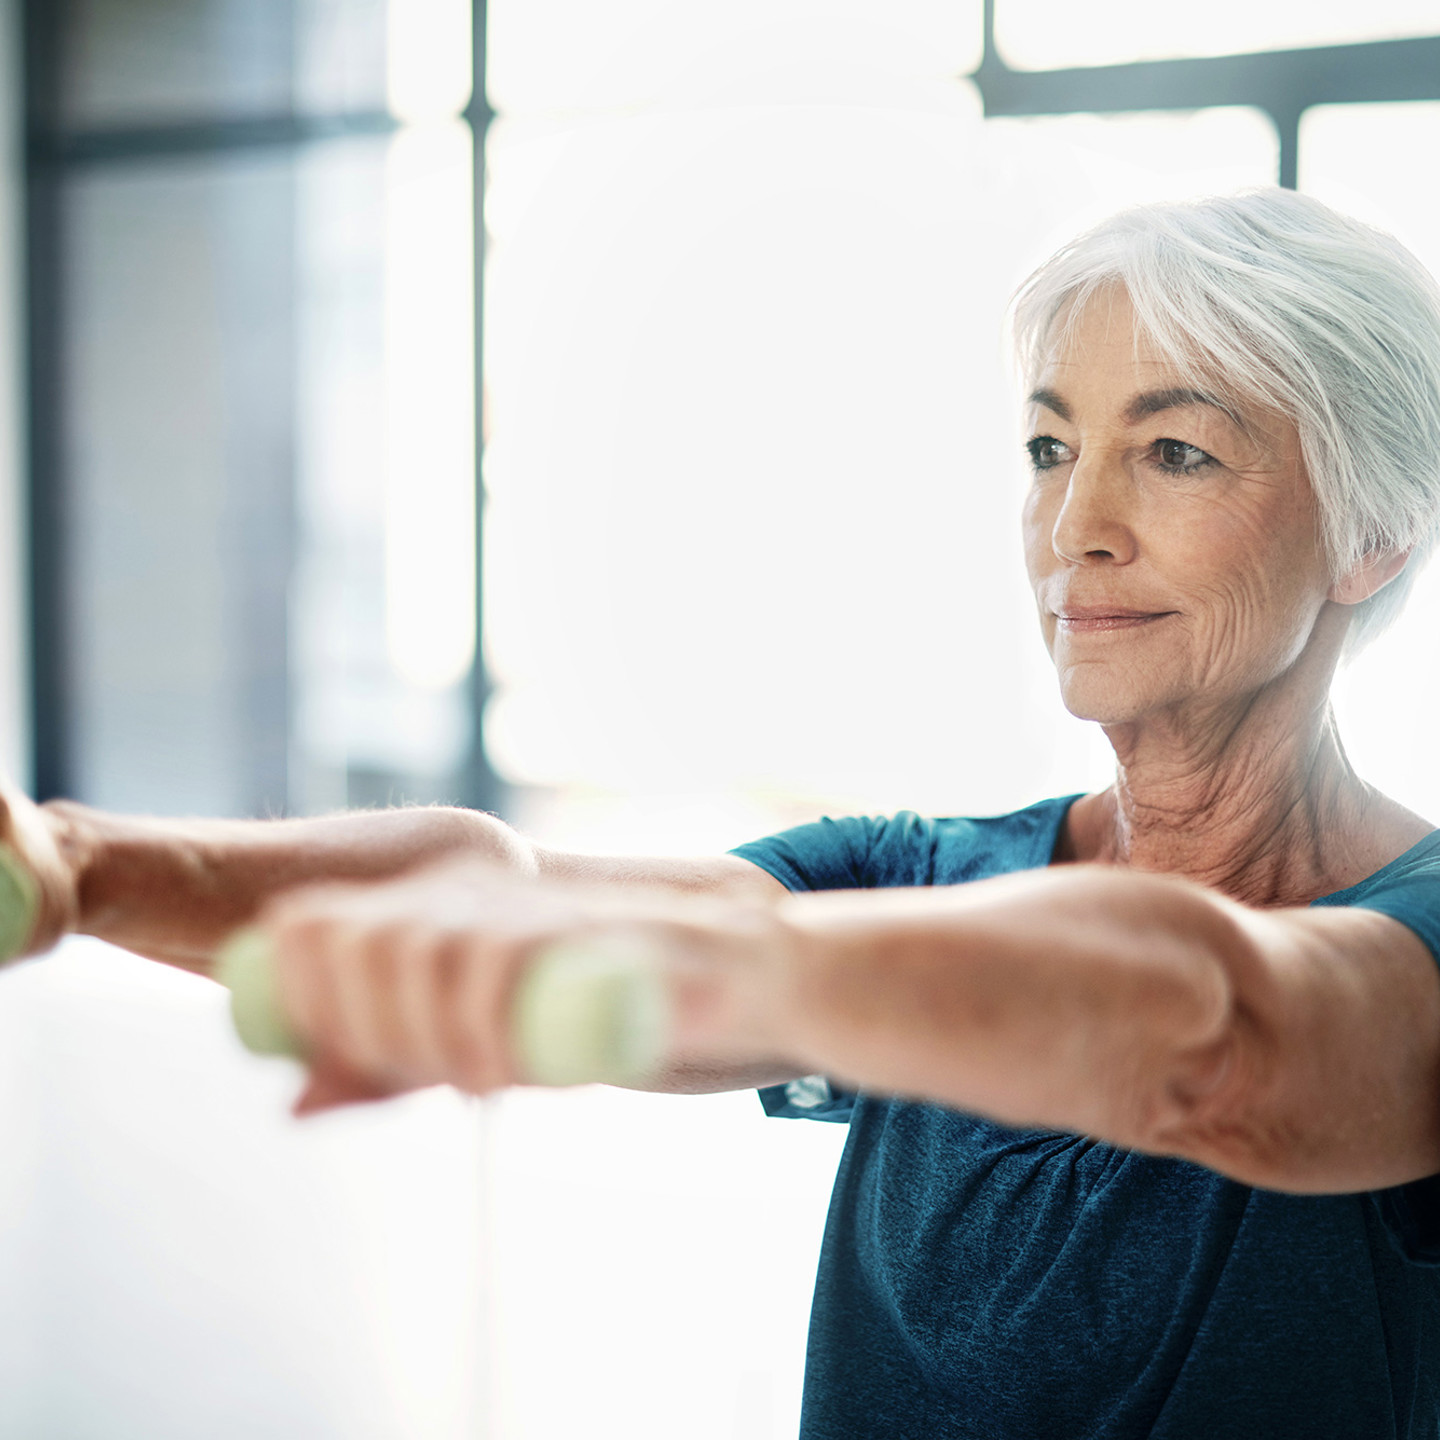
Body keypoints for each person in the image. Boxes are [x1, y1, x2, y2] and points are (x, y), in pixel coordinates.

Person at [8, 187, 1440, 1437]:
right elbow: (496, 876)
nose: (1075, 530)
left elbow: (1225, 1038)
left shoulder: (1415, 939)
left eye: (1176, 452)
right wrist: (79, 864)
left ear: (1375, 532)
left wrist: (761, 973)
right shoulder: (930, 877)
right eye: (1050, 448)